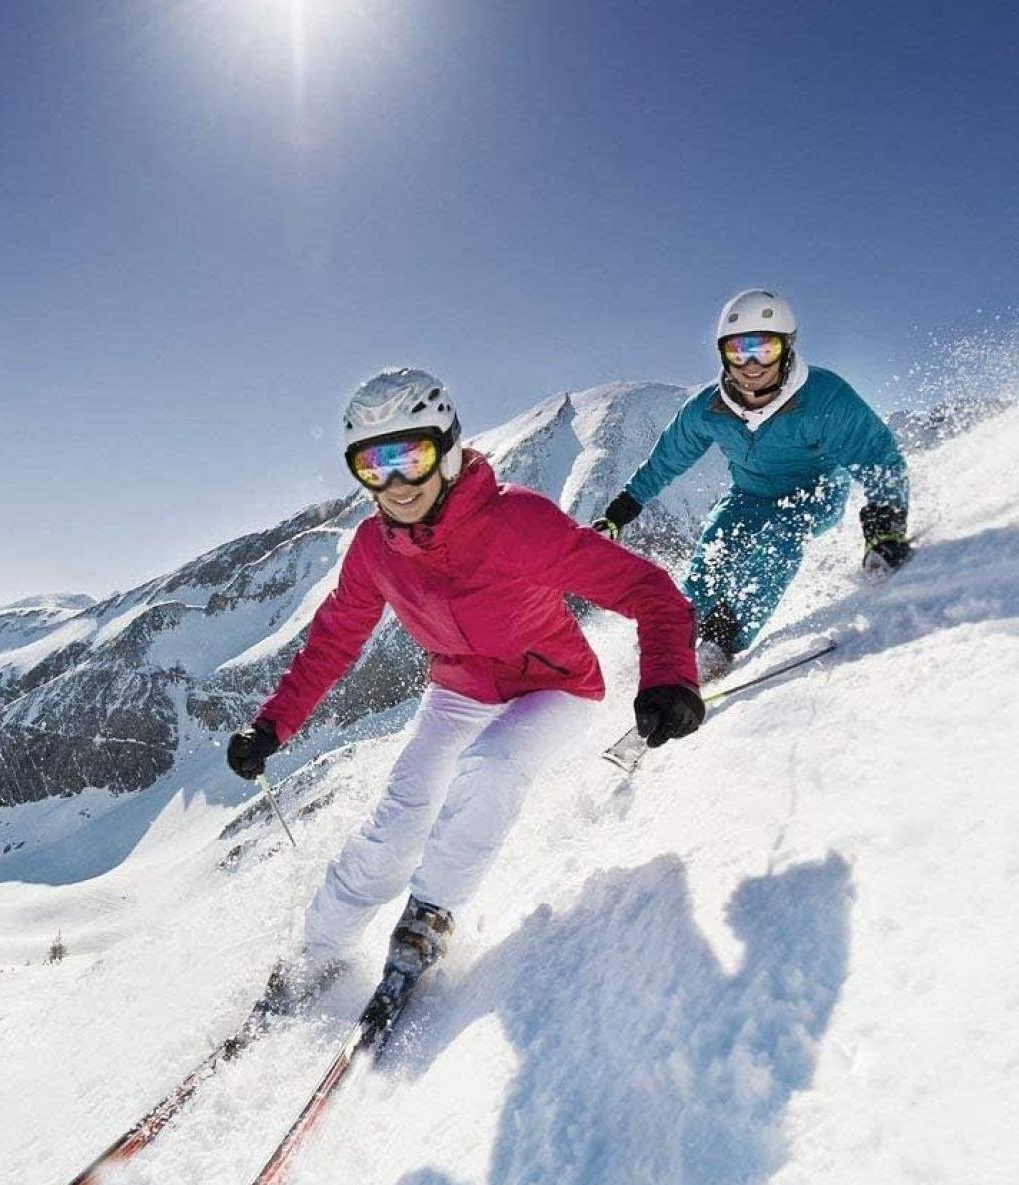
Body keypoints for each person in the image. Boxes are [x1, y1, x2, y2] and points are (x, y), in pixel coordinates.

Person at [226, 367, 702, 1005]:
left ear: (447, 449)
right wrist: (271, 725)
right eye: (373, 466)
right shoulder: (374, 547)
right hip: (460, 686)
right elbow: (334, 640)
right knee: (399, 815)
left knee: (493, 764)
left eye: (411, 457)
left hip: (555, 686)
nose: (394, 484)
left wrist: (669, 676)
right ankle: (318, 949)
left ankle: (430, 917)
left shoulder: (518, 523)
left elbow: (649, 590)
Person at [593, 290, 912, 680]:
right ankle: (675, 641)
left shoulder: (824, 397)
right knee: (713, 552)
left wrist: (886, 523)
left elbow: (877, 455)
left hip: (815, 490)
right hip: (749, 495)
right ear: (723, 354)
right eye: (739, 351)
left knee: (780, 537)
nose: (752, 364)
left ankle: (721, 641)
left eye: (765, 349)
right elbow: (666, 460)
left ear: (787, 348)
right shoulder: (708, 408)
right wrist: (620, 510)